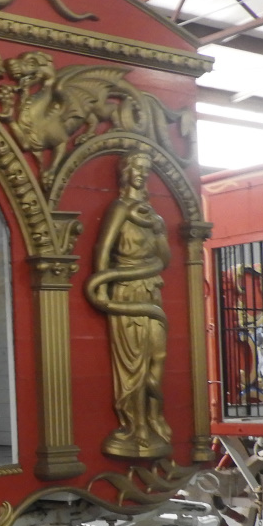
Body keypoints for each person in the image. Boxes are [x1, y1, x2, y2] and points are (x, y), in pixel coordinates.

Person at [86, 152, 173, 459]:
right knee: (133, 366)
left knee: (157, 358)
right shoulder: (120, 208)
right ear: (125, 172)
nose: (140, 173)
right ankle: (134, 429)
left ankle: (153, 419)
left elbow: (165, 259)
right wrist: (103, 288)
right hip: (125, 294)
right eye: (135, 168)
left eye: (144, 169)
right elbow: (103, 250)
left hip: (151, 293)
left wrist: (160, 233)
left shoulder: (155, 218)